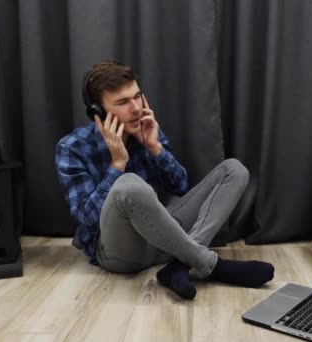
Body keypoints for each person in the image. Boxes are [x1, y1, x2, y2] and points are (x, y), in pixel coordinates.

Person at [55, 61, 274, 299]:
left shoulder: (145, 128)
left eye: (137, 97)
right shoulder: (72, 148)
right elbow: (87, 218)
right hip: (121, 253)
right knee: (129, 183)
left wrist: (155, 148)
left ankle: (180, 265)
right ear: (98, 113)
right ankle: (210, 264)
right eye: (123, 102)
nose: (136, 108)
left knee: (235, 170)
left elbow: (180, 187)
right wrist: (117, 164)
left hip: (165, 240)